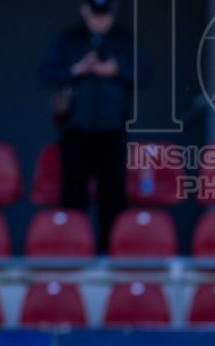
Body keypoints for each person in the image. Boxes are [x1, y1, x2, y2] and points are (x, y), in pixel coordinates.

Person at [39, 0, 150, 253]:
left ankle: (111, 255)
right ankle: (70, 251)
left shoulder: (123, 39)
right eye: (95, 15)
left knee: (112, 197)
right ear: (84, 11)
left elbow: (144, 74)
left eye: (105, 15)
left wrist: (115, 70)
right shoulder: (69, 38)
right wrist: (75, 69)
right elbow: (45, 73)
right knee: (72, 195)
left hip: (112, 130)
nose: (100, 21)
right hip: (76, 130)